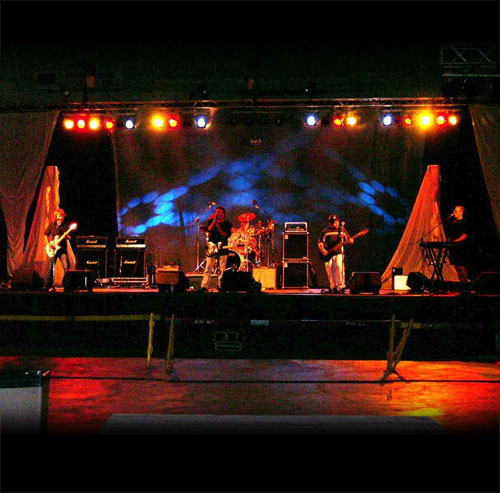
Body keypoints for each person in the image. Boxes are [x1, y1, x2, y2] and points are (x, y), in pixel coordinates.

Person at [318, 214, 353, 293]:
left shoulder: (342, 230)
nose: (336, 224)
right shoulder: (326, 231)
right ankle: (333, 286)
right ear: (330, 223)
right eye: (334, 222)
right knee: (330, 268)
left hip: (339, 252)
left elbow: (348, 239)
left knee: (338, 266)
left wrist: (350, 241)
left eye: (337, 222)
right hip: (328, 253)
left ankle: (341, 286)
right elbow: (320, 242)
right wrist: (323, 249)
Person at [200, 206, 232, 291]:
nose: (217, 213)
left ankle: (221, 286)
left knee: (222, 269)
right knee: (208, 267)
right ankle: (204, 286)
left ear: (223, 214)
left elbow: (225, 235)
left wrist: (218, 227)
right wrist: (214, 220)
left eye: (219, 212)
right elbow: (209, 229)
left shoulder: (227, 224)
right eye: (216, 211)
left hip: (223, 246)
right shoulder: (211, 221)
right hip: (212, 246)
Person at [43, 208, 74, 291]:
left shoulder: (65, 226)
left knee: (66, 266)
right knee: (51, 268)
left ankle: (67, 285)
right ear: (56, 216)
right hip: (53, 249)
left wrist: (67, 236)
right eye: (59, 216)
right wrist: (48, 244)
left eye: (62, 216)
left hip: (62, 249)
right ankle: (48, 286)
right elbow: (45, 234)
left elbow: (69, 237)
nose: (61, 218)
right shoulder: (51, 225)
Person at [446, 205, 469, 282]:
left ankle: (465, 280)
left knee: (460, 264)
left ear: (461, 212)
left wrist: (456, 241)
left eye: (456, 211)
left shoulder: (464, 222)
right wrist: (447, 244)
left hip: (460, 246)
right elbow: (451, 235)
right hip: (453, 246)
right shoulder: (454, 223)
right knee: (456, 265)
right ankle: (461, 281)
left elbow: (464, 235)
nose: (454, 212)